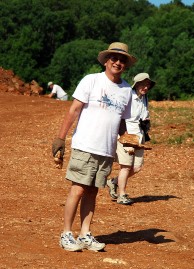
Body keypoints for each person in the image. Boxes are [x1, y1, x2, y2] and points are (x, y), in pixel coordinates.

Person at [52, 42, 137, 252]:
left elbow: (121, 120)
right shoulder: (91, 80)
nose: (118, 63)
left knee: (92, 192)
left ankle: (85, 234)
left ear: (125, 65)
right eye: (114, 59)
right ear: (106, 61)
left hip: (106, 149)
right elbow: (73, 109)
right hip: (86, 144)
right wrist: (61, 138)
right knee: (78, 188)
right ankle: (66, 234)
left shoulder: (126, 90)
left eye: (122, 60)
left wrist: (126, 138)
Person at [107, 73, 156, 205]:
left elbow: (144, 115)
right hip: (126, 135)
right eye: (143, 84)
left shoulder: (144, 98)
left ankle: (114, 182)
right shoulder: (128, 96)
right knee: (126, 166)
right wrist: (124, 136)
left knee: (137, 167)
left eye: (147, 85)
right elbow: (120, 116)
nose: (145, 87)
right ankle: (122, 195)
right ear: (137, 84)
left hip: (139, 136)